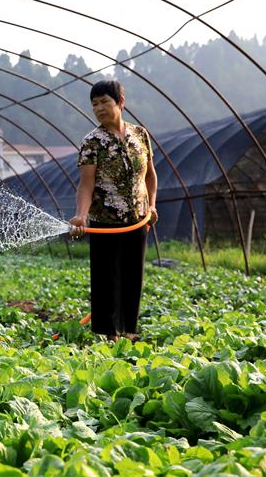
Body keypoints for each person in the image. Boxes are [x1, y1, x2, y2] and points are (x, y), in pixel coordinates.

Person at [69, 80, 158, 342]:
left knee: (133, 275)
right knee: (107, 278)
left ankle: (130, 331)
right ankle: (111, 336)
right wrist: (82, 215)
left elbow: (150, 176)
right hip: (105, 221)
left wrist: (151, 205)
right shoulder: (91, 142)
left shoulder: (140, 135)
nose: (99, 108)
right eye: (94, 104)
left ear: (120, 101)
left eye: (105, 101)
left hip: (137, 219)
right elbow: (86, 184)